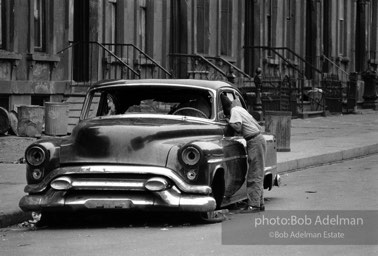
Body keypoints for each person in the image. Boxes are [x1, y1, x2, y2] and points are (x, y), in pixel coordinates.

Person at [221, 94, 266, 213]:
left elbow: (237, 127)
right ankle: (259, 203)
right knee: (258, 172)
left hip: (254, 141)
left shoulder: (234, 111)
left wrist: (228, 121)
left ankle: (253, 206)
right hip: (258, 139)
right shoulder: (240, 109)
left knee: (254, 174)